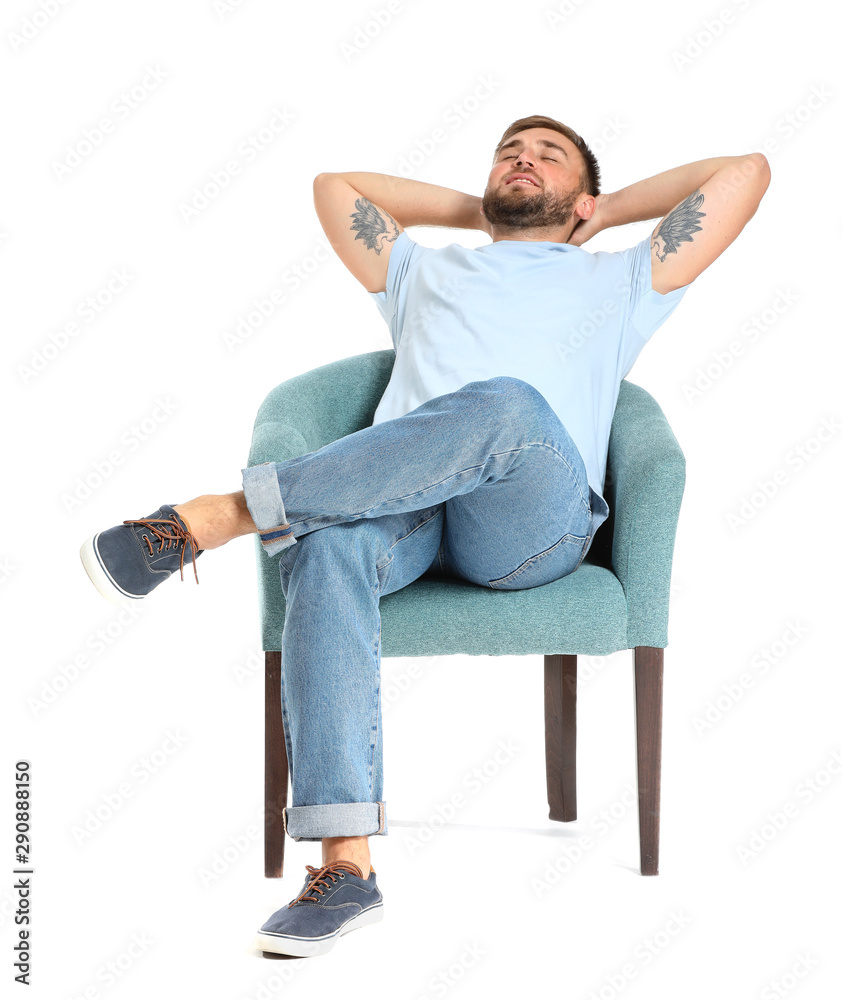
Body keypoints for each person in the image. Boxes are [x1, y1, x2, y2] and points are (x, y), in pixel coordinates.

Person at [79, 114, 771, 957]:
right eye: (509, 151)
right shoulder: (418, 271)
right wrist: (486, 208)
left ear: (582, 194)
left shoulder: (625, 279)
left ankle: (217, 516)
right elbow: (336, 189)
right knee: (327, 547)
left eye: (548, 155)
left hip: (528, 527)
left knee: (507, 402)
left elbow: (746, 171)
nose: (523, 158)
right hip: (399, 512)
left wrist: (604, 208)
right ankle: (346, 867)